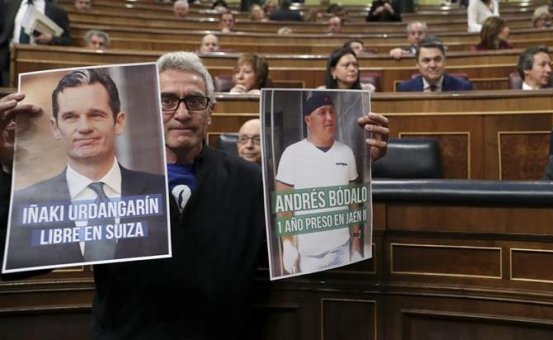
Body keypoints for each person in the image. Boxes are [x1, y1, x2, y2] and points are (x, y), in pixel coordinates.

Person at [0, 51, 390, 338]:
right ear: (148, 110)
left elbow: (311, 245)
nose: (181, 112)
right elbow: (27, 261)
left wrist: (356, 165)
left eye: (195, 101)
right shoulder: (108, 183)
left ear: (211, 112)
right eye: (167, 100)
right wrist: (9, 169)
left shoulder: (250, 180)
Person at [4, 68, 168, 270]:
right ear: (56, 128)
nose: (84, 128)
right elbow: (14, 270)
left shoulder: (161, 191)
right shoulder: (24, 203)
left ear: (118, 122)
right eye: (70, 117)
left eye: (96, 115)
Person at [276, 93, 359, 274]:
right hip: (308, 253)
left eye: (331, 112)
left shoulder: (346, 152)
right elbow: (284, 207)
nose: (329, 117)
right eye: (322, 113)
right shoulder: (292, 154)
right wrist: (287, 245)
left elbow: (353, 202)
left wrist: (357, 241)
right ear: (308, 120)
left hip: (342, 248)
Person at [1, 0, 72, 86]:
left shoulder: (56, 10)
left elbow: (67, 40)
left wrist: (51, 39)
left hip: (39, 63)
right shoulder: (9, 5)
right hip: (9, 61)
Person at [397, 38, 474, 92]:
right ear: (417, 64)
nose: (433, 65)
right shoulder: (405, 89)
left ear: (445, 61)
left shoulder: (463, 88)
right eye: (426, 60)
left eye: (437, 59)